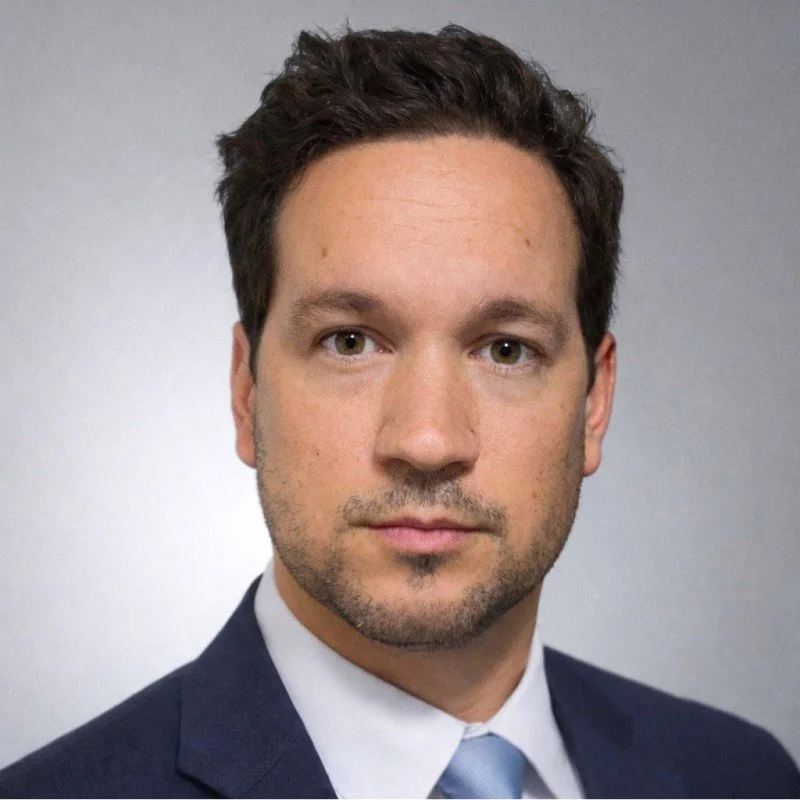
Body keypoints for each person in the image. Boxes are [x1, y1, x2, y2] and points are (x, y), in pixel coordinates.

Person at [0, 24, 797, 800]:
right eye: (350, 341)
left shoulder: (741, 778)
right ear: (247, 393)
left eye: (506, 349)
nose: (426, 439)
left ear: (595, 403)